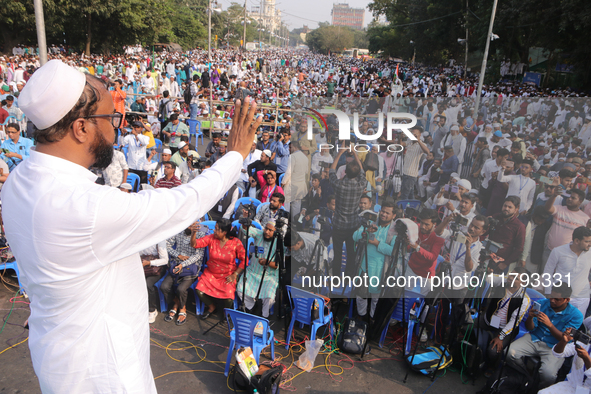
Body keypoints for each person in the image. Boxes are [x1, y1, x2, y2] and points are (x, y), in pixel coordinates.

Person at [0, 59, 260, 393]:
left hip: (57, 355)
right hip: (102, 373)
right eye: (110, 119)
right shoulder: (84, 208)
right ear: (81, 128)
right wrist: (235, 155)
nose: (117, 129)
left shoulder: (18, 179)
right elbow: (182, 204)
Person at [507, 283, 583, 389]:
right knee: (509, 353)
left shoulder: (576, 315)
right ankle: (527, 377)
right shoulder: (542, 303)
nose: (552, 301)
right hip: (535, 338)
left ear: (567, 300)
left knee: (548, 375)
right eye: (551, 297)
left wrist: (549, 325)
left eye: (557, 299)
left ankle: (538, 389)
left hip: (555, 347)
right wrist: (530, 317)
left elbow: (563, 339)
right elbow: (530, 328)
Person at [478, 267, 531, 373]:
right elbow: (489, 279)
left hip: (505, 328)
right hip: (488, 319)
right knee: (466, 327)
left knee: (493, 351)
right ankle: (477, 356)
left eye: (515, 278)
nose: (511, 278)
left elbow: (514, 322)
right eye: (511, 275)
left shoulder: (525, 299)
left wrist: (501, 336)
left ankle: (492, 367)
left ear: (523, 282)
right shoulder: (503, 281)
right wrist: (489, 272)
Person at [192, 219, 246, 319]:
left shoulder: (235, 242)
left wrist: (235, 274)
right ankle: (212, 307)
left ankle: (226, 312)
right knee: (199, 290)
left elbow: (245, 260)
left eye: (217, 229)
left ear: (224, 232)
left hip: (228, 274)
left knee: (229, 297)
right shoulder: (211, 238)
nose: (214, 231)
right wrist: (193, 233)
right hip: (211, 273)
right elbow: (195, 244)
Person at [352, 199, 398, 318]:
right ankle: (361, 318)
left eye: (387, 213)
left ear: (394, 215)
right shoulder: (371, 221)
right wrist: (366, 230)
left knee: (375, 299)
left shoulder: (395, 230)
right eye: (382, 211)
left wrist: (377, 243)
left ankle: (372, 320)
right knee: (361, 296)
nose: (383, 214)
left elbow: (393, 251)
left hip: (381, 270)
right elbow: (355, 236)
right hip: (364, 266)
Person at [329, 146, 366, 277]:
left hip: (339, 225)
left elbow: (331, 171)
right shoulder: (360, 185)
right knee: (351, 252)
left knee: (337, 253)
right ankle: (349, 276)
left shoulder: (339, 185)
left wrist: (339, 154)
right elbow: (362, 172)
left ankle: (336, 278)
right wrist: (355, 153)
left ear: (345, 171)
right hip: (353, 225)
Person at [162, 223, 206, 325]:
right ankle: (176, 302)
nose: (190, 226)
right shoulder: (179, 230)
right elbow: (167, 245)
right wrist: (178, 255)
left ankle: (182, 308)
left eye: (193, 225)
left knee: (181, 289)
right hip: (177, 264)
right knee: (164, 287)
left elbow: (198, 255)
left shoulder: (201, 234)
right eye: (189, 224)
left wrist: (184, 263)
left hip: (191, 266)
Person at [543, 226, 591, 315]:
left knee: (575, 326)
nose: (590, 244)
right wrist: (549, 292)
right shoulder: (558, 251)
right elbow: (547, 272)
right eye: (587, 241)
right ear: (576, 241)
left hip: (582, 298)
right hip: (560, 296)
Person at [236, 221, 280, 318]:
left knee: (269, 298)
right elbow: (246, 229)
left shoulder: (279, 242)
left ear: (276, 231)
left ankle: (264, 317)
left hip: (269, 276)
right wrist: (246, 220)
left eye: (270, 230)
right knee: (240, 289)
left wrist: (267, 262)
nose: (267, 232)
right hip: (253, 272)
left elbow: (278, 265)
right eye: (266, 229)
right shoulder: (259, 234)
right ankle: (252, 307)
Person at [539, 327, 591, 394]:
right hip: (572, 385)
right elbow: (557, 353)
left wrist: (586, 358)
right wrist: (563, 341)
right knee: (542, 393)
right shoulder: (585, 343)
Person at [405, 208, 445, 295]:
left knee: (425, 301)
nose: (423, 226)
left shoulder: (438, 237)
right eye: (422, 223)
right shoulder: (417, 227)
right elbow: (408, 248)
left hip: (427, 273)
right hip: (412, 267)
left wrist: (417, 248)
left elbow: (433, 257)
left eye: (427, 224)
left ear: (434, 224)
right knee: (404, 295)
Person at [488, 196, 526, 273]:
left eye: (510, 207)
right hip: (487, 256)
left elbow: (519, 248)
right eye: (505, 206)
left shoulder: (519, 226)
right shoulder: (496, 217)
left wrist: (505, 264)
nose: (506, 209)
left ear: (516, 209)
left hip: (500, 263)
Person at [140, 240, 168, 323]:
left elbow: (165, 260)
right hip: (143, 266)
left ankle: (152, 310)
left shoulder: (159, 240)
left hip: (156, 268)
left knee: (148, 284)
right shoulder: (140, 238)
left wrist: (149, 263)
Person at [400, 126, 430, 200]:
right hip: (405, 172)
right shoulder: (409, 142)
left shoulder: (421, 145)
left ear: (420, 135)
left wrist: (418, 140)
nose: (413, 135)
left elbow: (427, 151)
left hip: (411, 174)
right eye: (412, 133)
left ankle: (403, 209)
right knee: (410, 194)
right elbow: (401, 144)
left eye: (415, 134)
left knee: (404, 194)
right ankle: (411, 208)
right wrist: (401, 137)